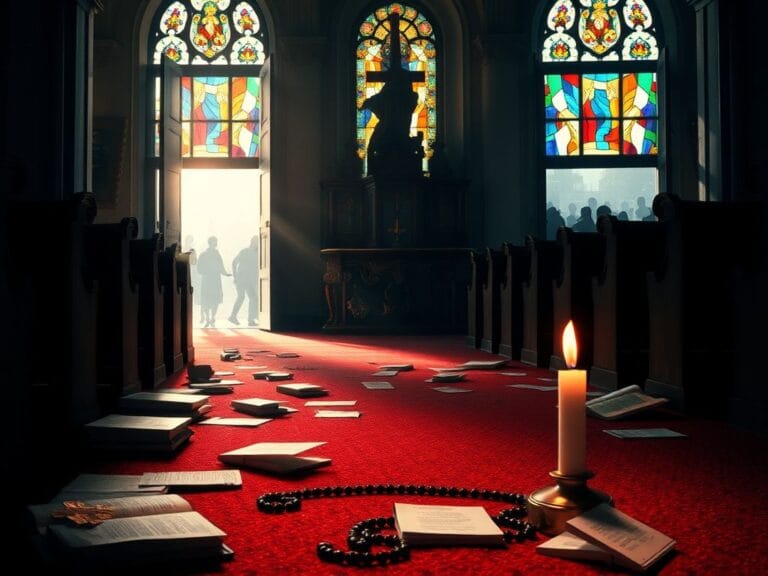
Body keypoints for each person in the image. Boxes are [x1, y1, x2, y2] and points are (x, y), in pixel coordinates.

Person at [196, 236, 230, 328]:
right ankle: (208, 318)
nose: (216, 243)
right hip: (209, 279)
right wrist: (206, 272)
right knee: (207, 299)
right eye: (215, 241)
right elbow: (199, 268)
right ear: (211, 242)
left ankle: (211, 317)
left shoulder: (215, 254)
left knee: (215, 299)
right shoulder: (204, 254)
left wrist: (225, 273)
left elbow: (220, 266)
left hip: (213, 279)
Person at [229, 235, 259, 327]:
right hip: (242, 278)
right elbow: (234, 262)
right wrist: (235, 276)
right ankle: (235, 316)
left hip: (247, 279)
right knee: (243, 297)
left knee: (252, 298)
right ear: (253, 242)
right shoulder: (245, 251)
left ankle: (249, 319)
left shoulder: (255, 253)